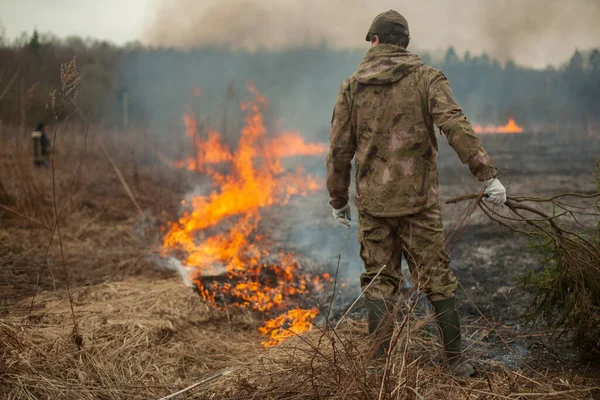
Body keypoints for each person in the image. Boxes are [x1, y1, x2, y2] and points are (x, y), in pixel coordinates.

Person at [326, 10, 506, 377]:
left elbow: (339, 150)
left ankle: (377, 372)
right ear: (404, 42)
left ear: (374, 40)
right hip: (419, 204)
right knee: (437, 279)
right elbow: (455, 126)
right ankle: (455, 362)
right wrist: (487, 175)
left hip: (374, 206)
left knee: (379, 283)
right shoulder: (427, 79)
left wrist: (339, 200)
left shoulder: (351, 87)